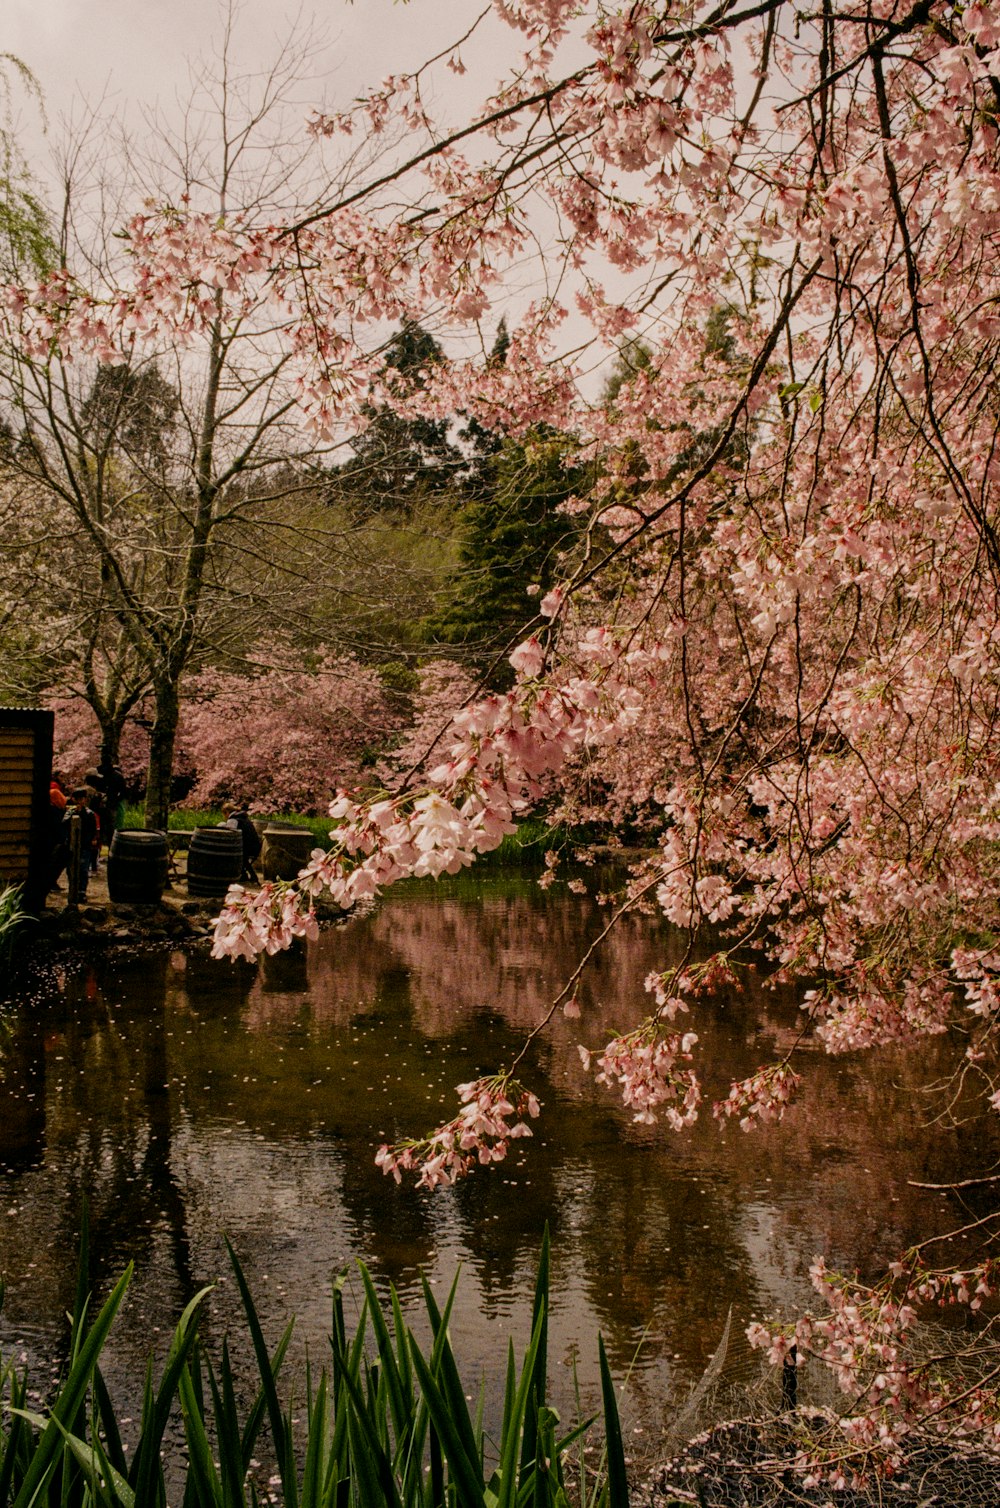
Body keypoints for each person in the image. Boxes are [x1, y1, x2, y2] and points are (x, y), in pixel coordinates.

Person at [62, 787, 98, 899]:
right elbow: (64, 823)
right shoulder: (69, 812)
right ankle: (73, 889)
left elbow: (93, 828)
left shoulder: (90, 814)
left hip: (85, 845)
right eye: (78, 799)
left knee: (83, 869)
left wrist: (93, 839)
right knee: (70, 869)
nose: (80, 801)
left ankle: (82, 891)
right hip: (71, 844)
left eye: (82, 799)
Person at [226, 805, 262, 883]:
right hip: (254, 847)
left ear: (226, 812)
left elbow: (229, 835)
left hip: (246, 849)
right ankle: (244, 875)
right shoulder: (244, 818)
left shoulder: (233, 820)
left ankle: (238, 874)